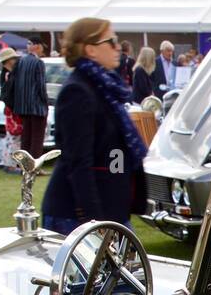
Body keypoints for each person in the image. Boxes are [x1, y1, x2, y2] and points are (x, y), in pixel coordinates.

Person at [41, 17, 147, 234]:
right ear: (90, 49)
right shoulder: (78, 92)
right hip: (78, 215)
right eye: (112, 41)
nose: (118, 47)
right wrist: (94, 221)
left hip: (111, 210)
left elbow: (115, 152)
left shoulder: (106, 89)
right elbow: (78, 161)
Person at [11, 38, 49, 160]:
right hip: (37, 106)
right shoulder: (38, 63)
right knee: (37, 138)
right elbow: (41, 86)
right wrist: (45, 102)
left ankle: (25, 165)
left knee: (26, 137)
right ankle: (34, 165)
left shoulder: (21, 61)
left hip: (23, 105)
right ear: (37, 46)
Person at [0, 46, 22, 173]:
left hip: (10, 110)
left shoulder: (6, 75)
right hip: (12, 110)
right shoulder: (8, 76)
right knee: (14, 136)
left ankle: (9, 163)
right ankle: (10, 165)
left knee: (11, 137)